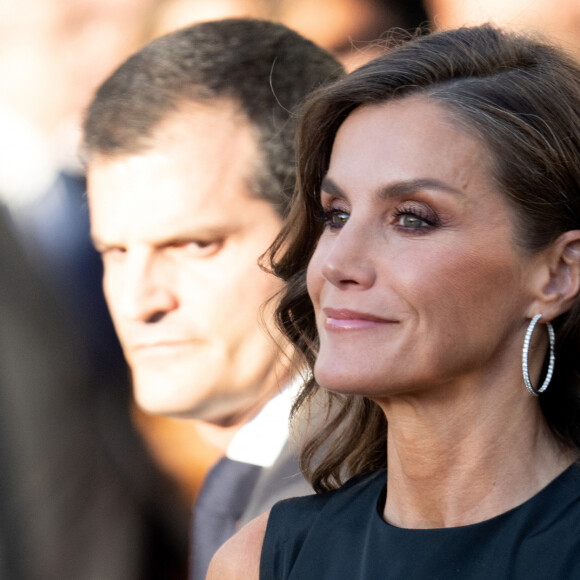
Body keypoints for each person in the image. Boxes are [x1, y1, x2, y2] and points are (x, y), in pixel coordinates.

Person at [208, 23, 580, 579]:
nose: (337, 263)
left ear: (557, 274)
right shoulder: (260, 561)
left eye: (411, 218)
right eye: (336, 215)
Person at [83, 18, 343, 580]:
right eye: (115, 251)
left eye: (194, 244)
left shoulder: (357, 512)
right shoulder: (253, 481)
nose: (138, 301)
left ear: (319, 231)